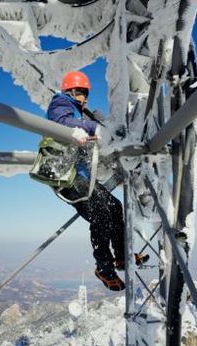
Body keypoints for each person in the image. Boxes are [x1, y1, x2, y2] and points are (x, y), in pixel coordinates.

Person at [45, 71, 148, 291]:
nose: (85, 98)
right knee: (101, 213)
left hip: (80, 178)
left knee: (114, 207)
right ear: (72, 91)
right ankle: (104, 267)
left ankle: (121, 256)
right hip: (68, 179)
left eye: (85, 93)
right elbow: (61, 122)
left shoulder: (77, 111)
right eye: (82, 93)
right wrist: (94, 127)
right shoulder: (60, 103)